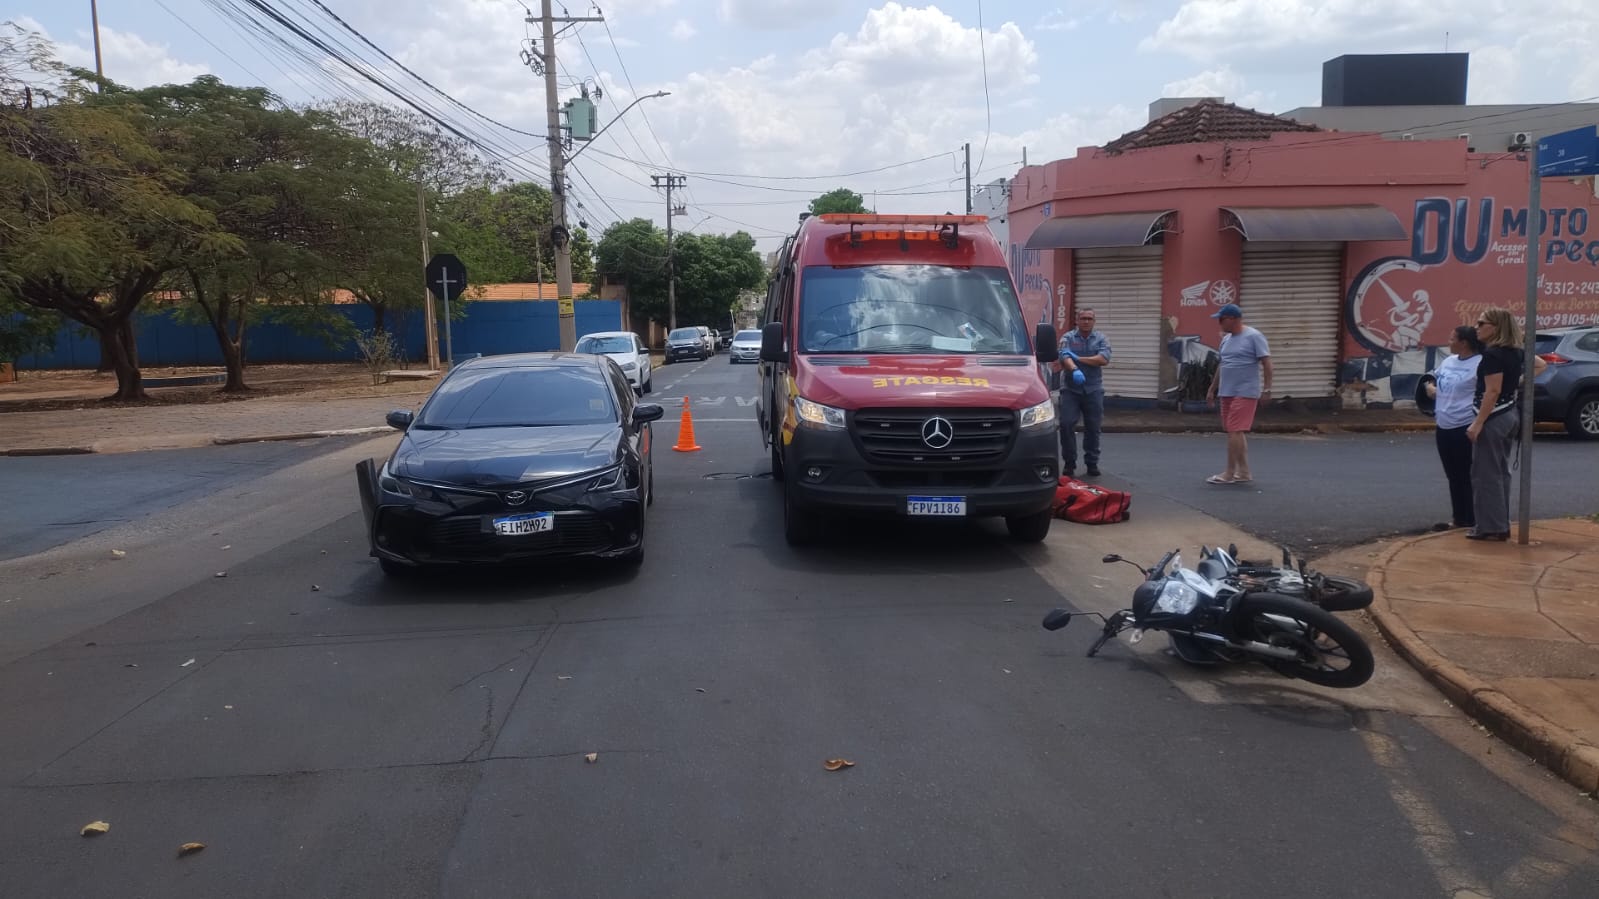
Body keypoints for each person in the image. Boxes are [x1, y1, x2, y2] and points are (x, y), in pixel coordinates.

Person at [1465, 307, 1548, 541]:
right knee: (1500, 471)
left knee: (1485, 474)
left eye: (1482, 323)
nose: (1477, 327)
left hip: (1493, 417)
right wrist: (1517, 382)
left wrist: (1477, 423)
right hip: (1509, 414)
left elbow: (1492, 391)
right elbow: (1541, 364)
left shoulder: (1493, 355)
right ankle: (1498, 524)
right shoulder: (1515, 352)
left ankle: (1491, 528)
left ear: (1495, 327)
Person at [1424, 325, 1484, 531]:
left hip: (1464, 424)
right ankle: (1459, 518)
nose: (1448, 342)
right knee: (1452, 475)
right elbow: (1433, 379)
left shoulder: (1480, 363)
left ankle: (1473, 518)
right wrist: (1430, 388)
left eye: (1452, 338)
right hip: (1444, 424)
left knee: (1468, 474)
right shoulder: (1448, 361)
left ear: (1464, 343)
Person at [1204, 303, 1272, 485]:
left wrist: (1267, 389)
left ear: (1233, 319)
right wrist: (1212, 388)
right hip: (1227, 391)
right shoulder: (1226, 339)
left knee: (1234, 430)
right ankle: (1244, 472)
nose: (1219, 323)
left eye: (1221, 319)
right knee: (1234, 431)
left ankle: (1229, 472)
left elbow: (1267, 363)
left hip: (1245, 391)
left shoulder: (1254, 336)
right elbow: (1222, 365)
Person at [1055, 308, 1111, 477]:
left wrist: (1078, 359)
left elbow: (1103, 359)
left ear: (1094, 321)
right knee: (1065, 425)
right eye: (1083, 318)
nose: (1086, 321)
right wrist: (1074, 369)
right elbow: (1064, 356)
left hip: (1093, 389)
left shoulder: (1101, 338)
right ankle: (1069, 463)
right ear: (1077, 321)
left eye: (1089, 318)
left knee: (1093, 428)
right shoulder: (1068, 338)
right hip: (1071, 389)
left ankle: (1092, 463)